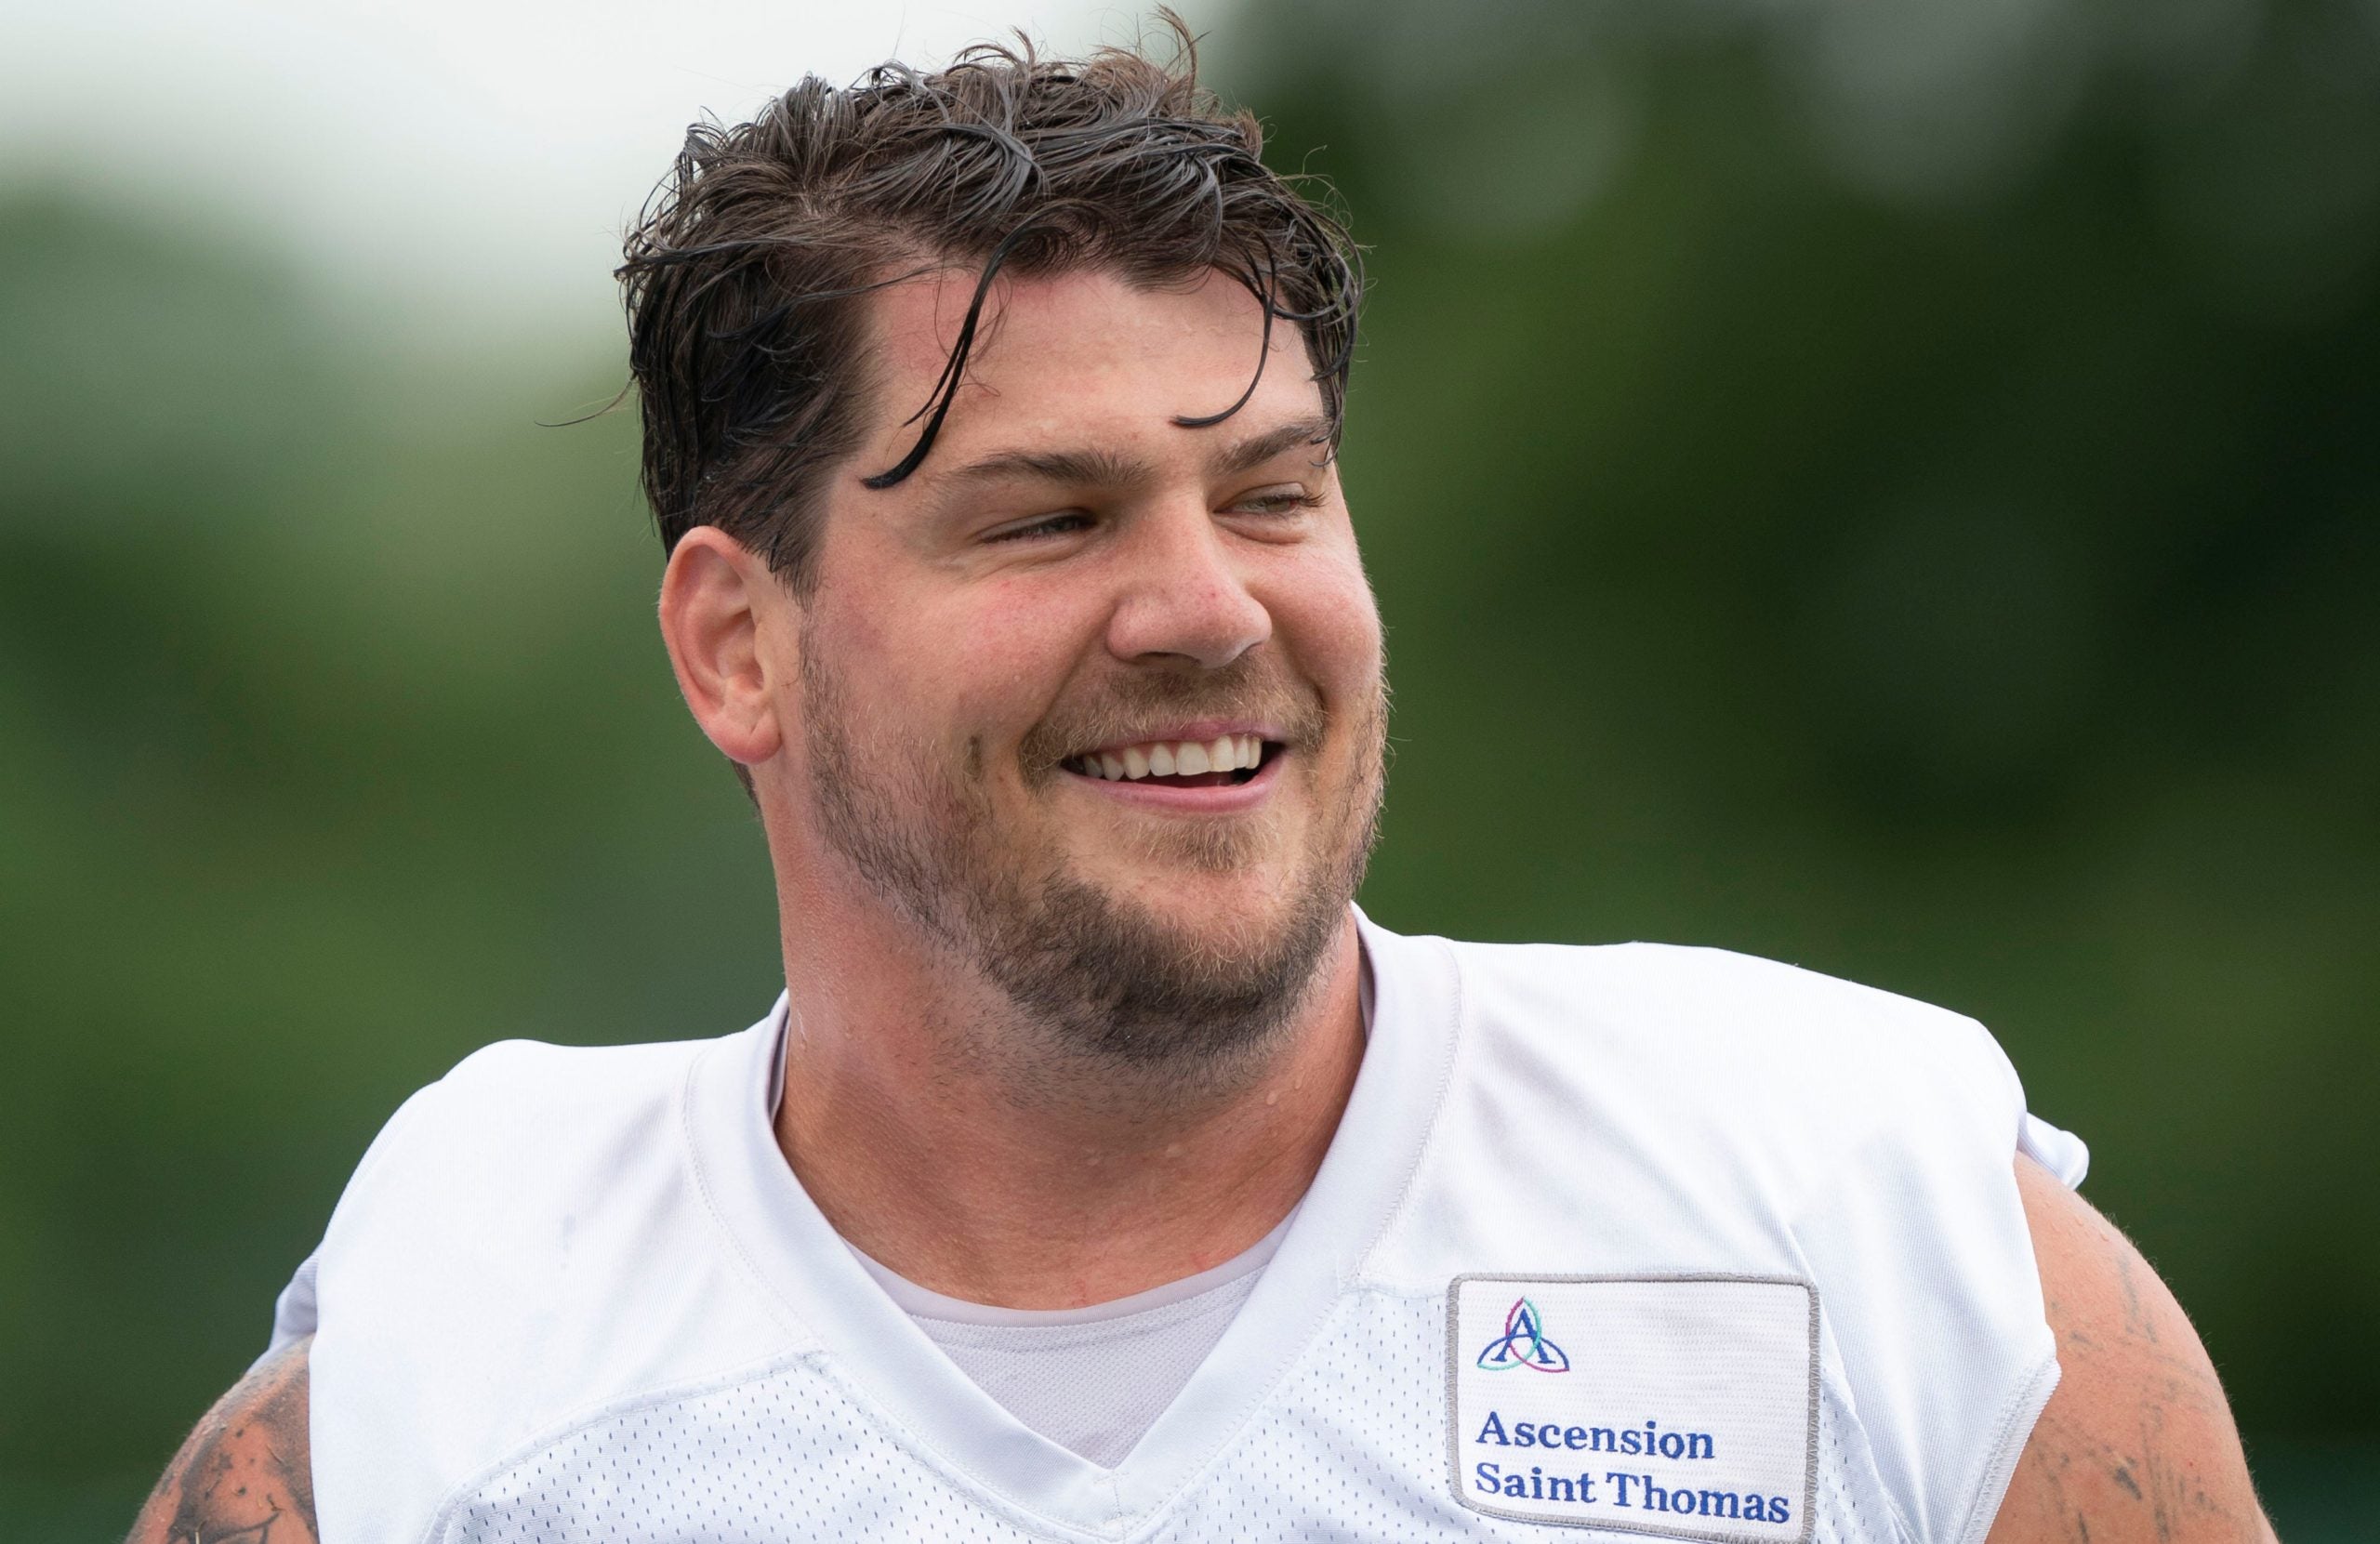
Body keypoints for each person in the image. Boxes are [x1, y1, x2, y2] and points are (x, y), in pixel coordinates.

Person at [131, 27, 2275, 1544]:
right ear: (735, 644)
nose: (1203, 609)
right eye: (1045, 517)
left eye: (1267, 496)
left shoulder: (1851, 1211)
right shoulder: (464, 1327)